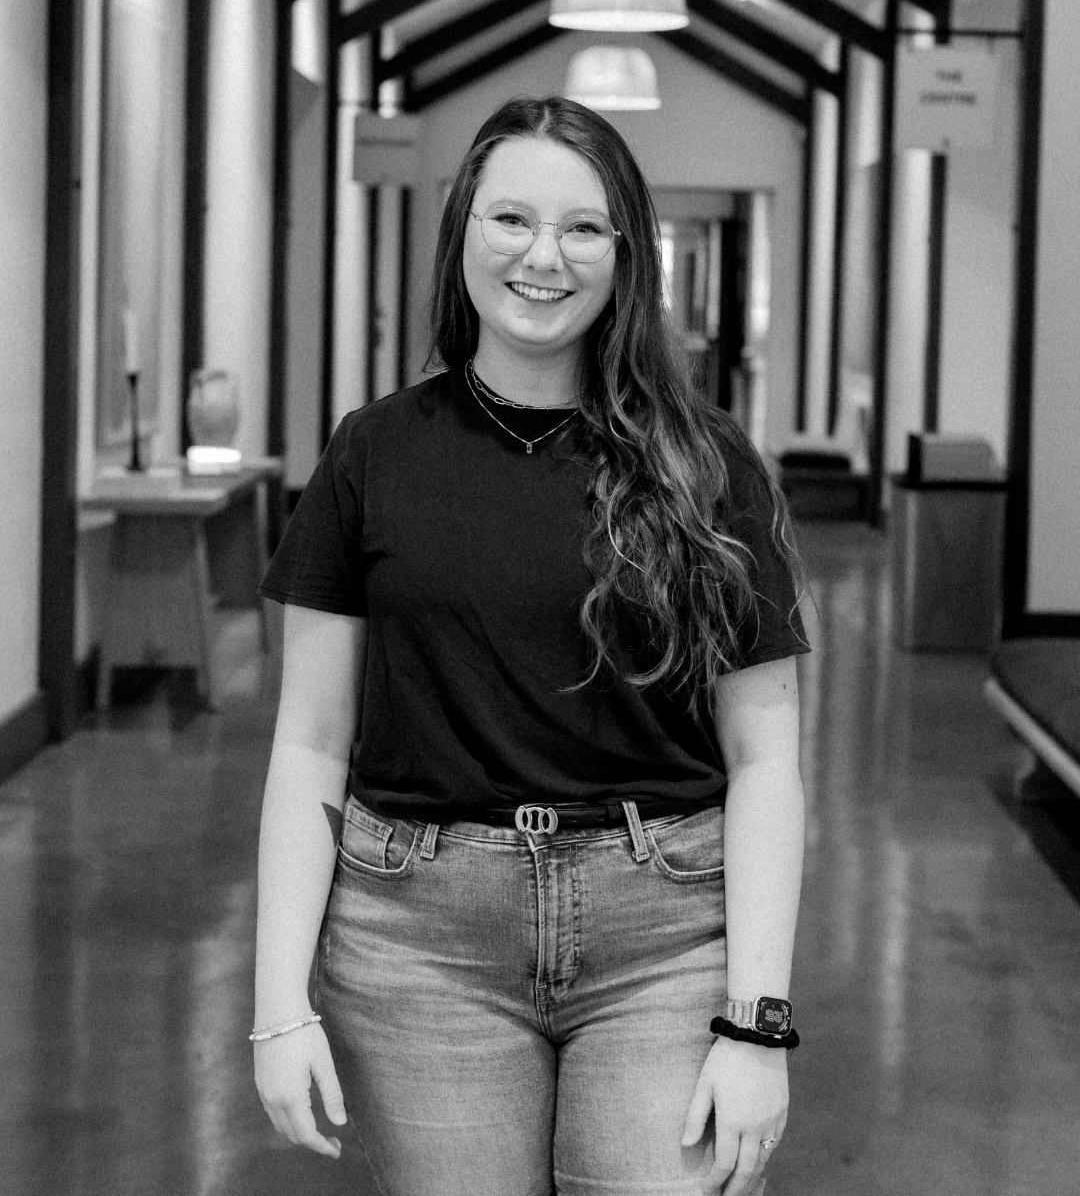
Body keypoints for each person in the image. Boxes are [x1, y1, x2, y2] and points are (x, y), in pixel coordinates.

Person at [251, 96, 808, 1196]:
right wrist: (278, 1007)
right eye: (511, 219)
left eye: (584, 228)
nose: (543, 257)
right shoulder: (373, 453)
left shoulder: (707, 465)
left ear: (626, 255)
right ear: (462, 231)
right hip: (419, 941)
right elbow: (310, 741)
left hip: (664, 933)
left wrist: (758, 1024)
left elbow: (767, 761)